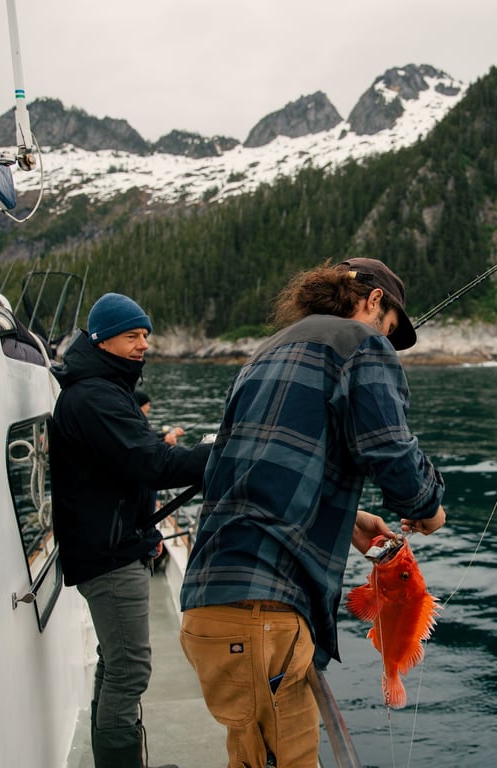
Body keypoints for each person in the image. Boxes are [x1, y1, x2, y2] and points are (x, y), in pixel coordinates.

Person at [179, 257, 447, 768]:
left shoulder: (264, 353)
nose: (386, 344)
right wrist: (429, 507)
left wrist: (346, 523)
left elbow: (241, 475)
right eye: (389, 330)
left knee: (252, 756)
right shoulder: (361, 344)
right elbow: (391, 452)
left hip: (215, 602)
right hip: (263, 613)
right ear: (373, 301)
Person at [50, 292, 211, 768]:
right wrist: (222, 452)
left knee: (115, 662)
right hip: (109, 553)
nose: (143, 344)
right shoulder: (95, 396)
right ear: (102, 340)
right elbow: (152, 462)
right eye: (131, 336)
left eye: (145, 335)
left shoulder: (102, 386)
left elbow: (131, 463)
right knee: (130, 668)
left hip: (114, 542)